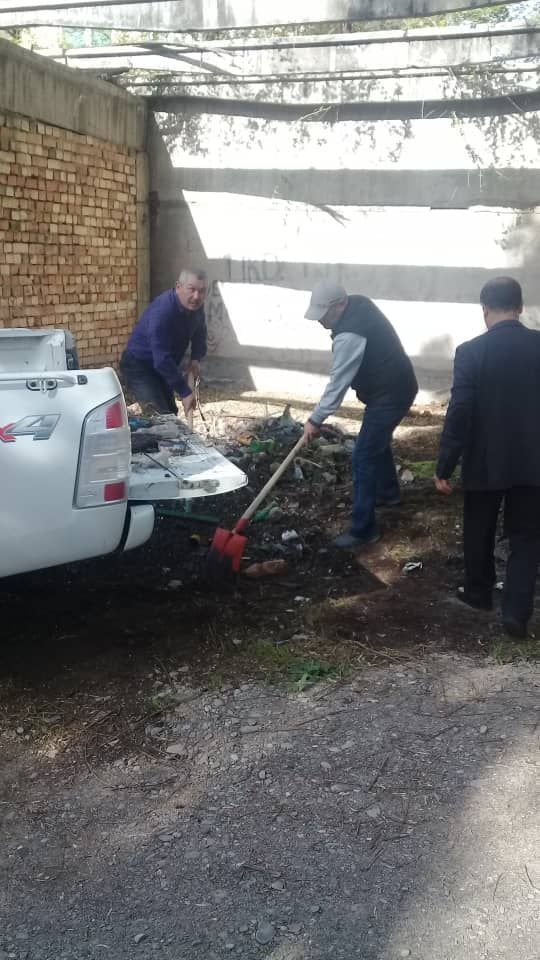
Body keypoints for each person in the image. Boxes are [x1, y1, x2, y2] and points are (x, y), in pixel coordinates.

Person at [435, 276, 540, 639]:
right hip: (534, 460)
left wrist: (445, 463)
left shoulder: (471, 352)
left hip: (485, 458)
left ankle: (478, 593)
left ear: (484, 309)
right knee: (527, 537)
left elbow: (460, 410)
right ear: (520, 307)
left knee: (478, 527)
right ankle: (516, 612)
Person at [303, 280, 418, 548]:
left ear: (339, 306)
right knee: (376, 442)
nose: (319, 320)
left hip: (391, 394)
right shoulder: (359, 303)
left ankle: (363, 530)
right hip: (394, 386)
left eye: (324, 314)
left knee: (363, 455)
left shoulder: (350, 334)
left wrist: (315, 419)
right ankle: (388, 493)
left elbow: (338, 383)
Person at [120, 268, 208, 416]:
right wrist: (185, 392)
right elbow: (161, 359)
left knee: (170, 413)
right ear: (178, 287)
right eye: (191, 289)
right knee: (159, 415)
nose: (196, 296)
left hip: (162, 366)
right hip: (139, 366)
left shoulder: (196, 307)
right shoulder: (163, 311)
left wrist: (195, 359)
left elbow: (200, 333)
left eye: (202, 291)